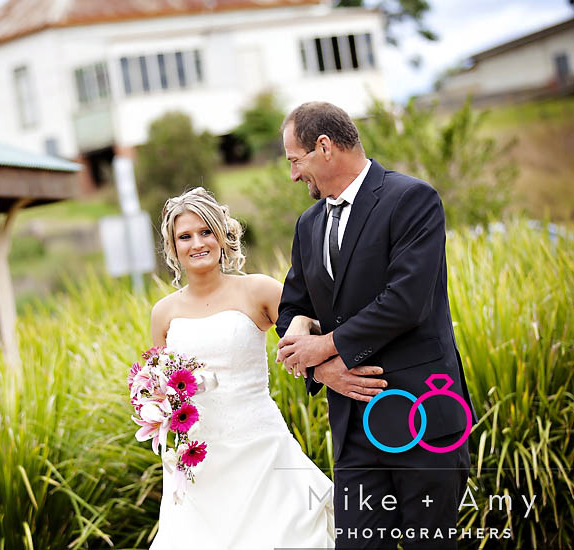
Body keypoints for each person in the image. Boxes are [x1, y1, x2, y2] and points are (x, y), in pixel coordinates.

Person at [275, 101, 476, 549]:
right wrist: (318, 367)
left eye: (295, 160)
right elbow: (291, 309)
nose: (292, 175)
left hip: (423, 419)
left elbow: (405, 303)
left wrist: (326, 345)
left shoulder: (412, 199)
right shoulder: (308, 225)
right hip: (354, 431)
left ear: (324, 147)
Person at [148, 187, 334, 549]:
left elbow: (313, 327)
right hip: (198, 460)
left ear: (222, 235)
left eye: (205, 231)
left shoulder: (257, 290)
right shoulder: (163, 313)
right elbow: (160, 385)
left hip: (261, 448)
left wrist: (300, 326)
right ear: (172, 247)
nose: (197, 243)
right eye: (185, 236)